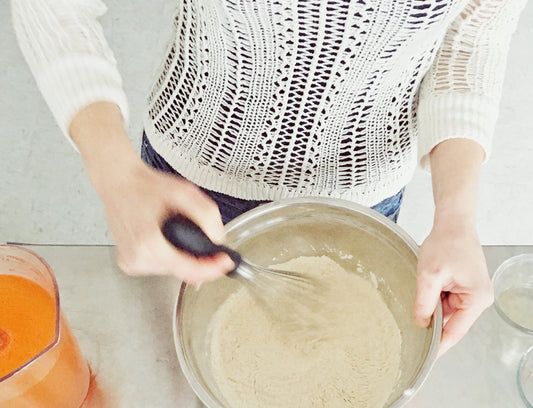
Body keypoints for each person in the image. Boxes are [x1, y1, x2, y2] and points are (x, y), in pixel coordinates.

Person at [12, 0, 527, 356]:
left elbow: (473, 31)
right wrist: (114, 170)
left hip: (365, 195)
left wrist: (456, 215)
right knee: (178, 354)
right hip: (189, 179)